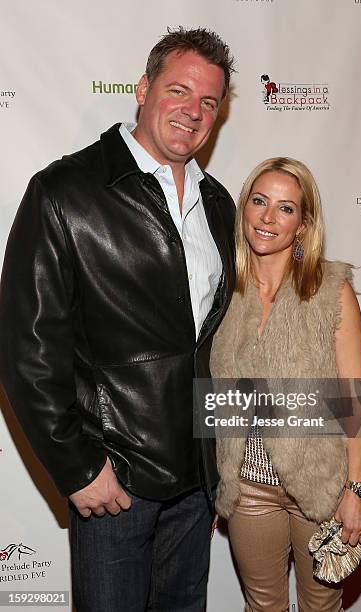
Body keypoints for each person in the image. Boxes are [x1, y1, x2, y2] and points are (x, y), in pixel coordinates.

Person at [0, 27, 236, 612]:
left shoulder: (219, 203)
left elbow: (211, 344)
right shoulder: (65, 191)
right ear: (142, 89)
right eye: (178, 90)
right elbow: (26, 350)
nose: (193, 111)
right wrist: (78, 467)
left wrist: (214, 468)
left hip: (195, 486)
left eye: (209, 101)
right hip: (115, 483)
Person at [210, 157, 361, 611]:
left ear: (303, 224)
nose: (267, 217)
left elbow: (354, 400)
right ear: (244, 209)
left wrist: (357, 491)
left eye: (285, 208)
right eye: (259, 202)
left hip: (320, 484)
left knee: (321, 606)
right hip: (248, 488)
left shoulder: (329, 289)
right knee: (262, 606)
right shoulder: (224, 291)